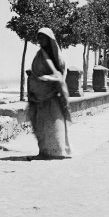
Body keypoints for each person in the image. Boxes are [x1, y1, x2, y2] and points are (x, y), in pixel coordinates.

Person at [27, 27, 72, 159]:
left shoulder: (54, 56)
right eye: (39, 37)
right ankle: (45, 152)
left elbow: (59, 75)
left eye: (43, 37)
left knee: (54, 126)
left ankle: (55, 151)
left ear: (49, 39)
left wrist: (48, 79)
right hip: (39, 98)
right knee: (41, 127)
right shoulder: (40, 55)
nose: (40, 40)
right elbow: (37, 72)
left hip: (52, 98)